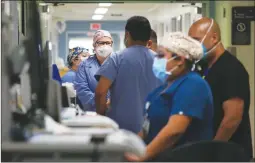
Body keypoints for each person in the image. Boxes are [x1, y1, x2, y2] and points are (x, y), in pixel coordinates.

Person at [126, 32, 214, 162]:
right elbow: (147, 128)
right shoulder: (160, 90)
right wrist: (128, 147)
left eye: (161, 56)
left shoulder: (193, 84)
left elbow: (175, 130)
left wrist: (143, 155)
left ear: (180, 60)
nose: (156, 60)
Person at [189, 17, 253, 158]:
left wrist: (213, 151)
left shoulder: (231, 69)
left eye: (196, 39)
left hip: (230, 153)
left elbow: (232, 118)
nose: (193, 46)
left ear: (214, 38)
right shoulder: (203, 67)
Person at [95, 16, 160, 133]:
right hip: (152, 128)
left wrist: (101, 118)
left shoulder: (116, 58)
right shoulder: (161, 61)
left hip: (120, 130)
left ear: (127, 35)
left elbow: (100, 92)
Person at [74, 30, 113, 111]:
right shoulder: (84, 65)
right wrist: (101, 103)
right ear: (94, 45)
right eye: (101, 43)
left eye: (108, 43)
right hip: (94, 112)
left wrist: (114, 102)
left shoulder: (119, 63)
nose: (105, 45)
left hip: (115, 110)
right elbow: (82, 90)